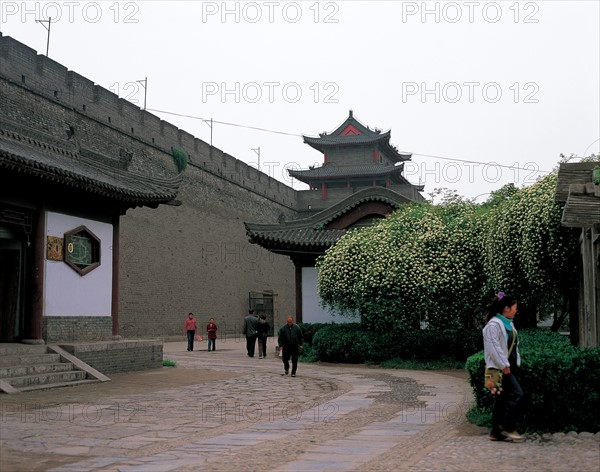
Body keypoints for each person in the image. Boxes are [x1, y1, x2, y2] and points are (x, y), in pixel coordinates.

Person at [483, 292, 525, 442]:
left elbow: (514, 346)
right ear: (506, 308)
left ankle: (496, 432)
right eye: (514, 307)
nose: (516, 310)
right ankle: (507, 427)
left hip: (509, 367)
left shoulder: (509, 324)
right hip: (500, 369)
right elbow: (493, 348)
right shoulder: (493, 326)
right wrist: (504, 365)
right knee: (517, 395)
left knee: (501, 399)